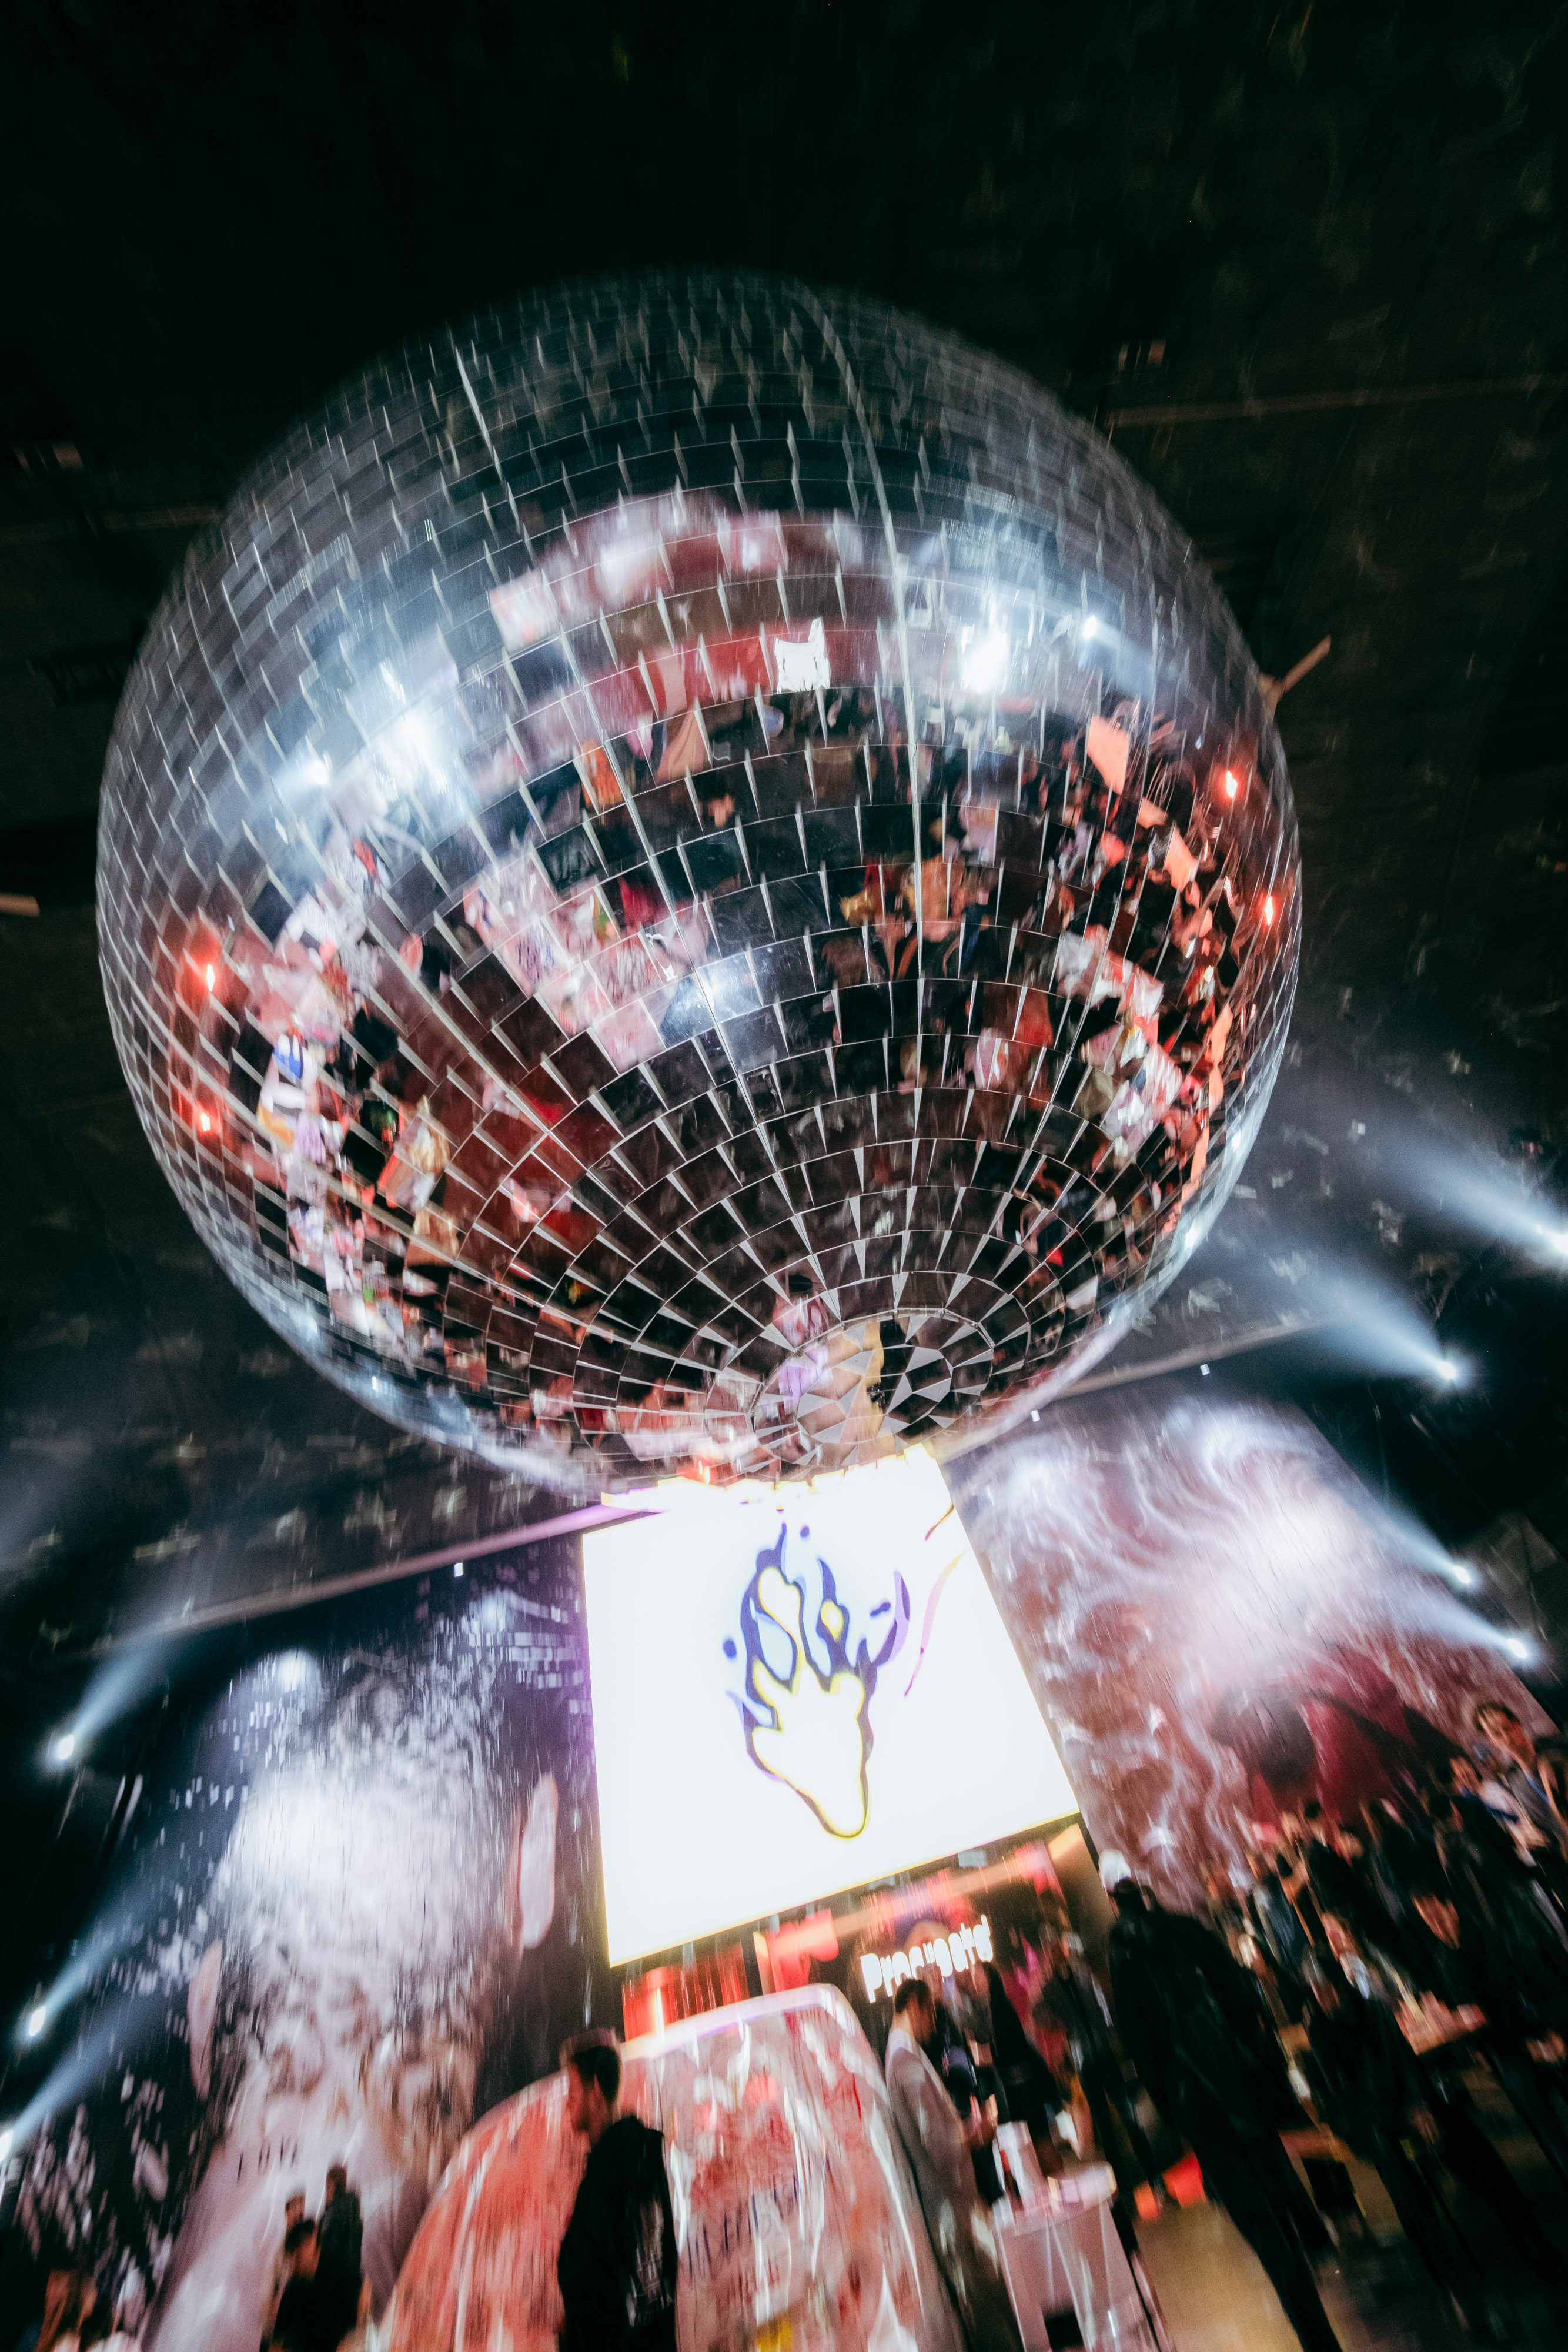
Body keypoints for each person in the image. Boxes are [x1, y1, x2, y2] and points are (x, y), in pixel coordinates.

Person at [1105, 1875, 1342, 2352]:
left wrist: (1174, 2108)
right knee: (1277, 2198)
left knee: (1265, 2235)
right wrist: (1253, 2065)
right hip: (1241, 2090)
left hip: (1198, 2107)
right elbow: (1240, 1997)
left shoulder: (1123, 1958)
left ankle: (1319, 2342)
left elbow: (1139, 2043)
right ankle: (1316, 2282)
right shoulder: (1186, 1930)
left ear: (1115, 1905)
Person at [1303, 1967, 1550, 2335]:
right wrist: (1403, 2114)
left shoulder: (1374, 2011)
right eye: (1318, 1991)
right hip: (1365, 2119)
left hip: (1400, 2102)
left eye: (1329, 1988)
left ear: (1341, 1985)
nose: (1326, 1997)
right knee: (1399, 2173)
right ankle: (1456, 2283)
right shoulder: (1321, 2031)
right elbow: (1345, 2099)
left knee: (1461, 2132)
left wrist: (1419, 2104)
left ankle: (1529, 2235)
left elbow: (1407, 2062)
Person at [884, 1978, 1024, 2352]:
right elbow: (939, 2147)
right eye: (931, 2012)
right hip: (950, 2206)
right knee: (984, 2303)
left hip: (953, 2202)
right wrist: (976, 2133)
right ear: (914, 2005)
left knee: (989, 2296)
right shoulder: (904, 2058)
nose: (934, 2024)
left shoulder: (902, 2053)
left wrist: (966, 2129)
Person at [556, 2030, 677, 2352]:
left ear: (595, 2088)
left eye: (573, 2089)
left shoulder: (601, 2183)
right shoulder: (653, 2158)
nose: (567, 2102)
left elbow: (592, 2299)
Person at [1032, 1936, 1162, 2202]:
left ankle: (1155, 2181)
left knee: (1129, 2117)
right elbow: (1037, 2013)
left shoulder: (1082, 1975)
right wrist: (1057, 2024)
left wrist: (1107, 2030)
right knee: (1106, 2129)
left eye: (1059, 1949)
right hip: (1086, 2061)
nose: (1058, 1954)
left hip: (1102, 2054)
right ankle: (1127, 2193)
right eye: (1052, 1951)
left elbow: (1102, 2005)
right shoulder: (1051, 1987)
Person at [269, 2221, 337, 2352]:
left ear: (317, 2247)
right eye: (293, 2250)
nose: (295, 2256)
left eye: (301, 2247)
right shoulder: (292, 2290)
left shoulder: (336, 2279)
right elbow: (277, 2341)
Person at [316, 2164, 363, 2345]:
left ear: (331, 2184)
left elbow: (330, 2254)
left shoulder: (332, 2215)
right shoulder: (354, 2212)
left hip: (334, 2292)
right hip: (353, 2284)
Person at [260, 2189, 306, 2348]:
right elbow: (267, 2299)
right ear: (287, 2211)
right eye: (296, 2209)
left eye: (301, 2213)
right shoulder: (278, 2251)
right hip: (278, 2332)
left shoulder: (304, 2249)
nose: (299, 2215)